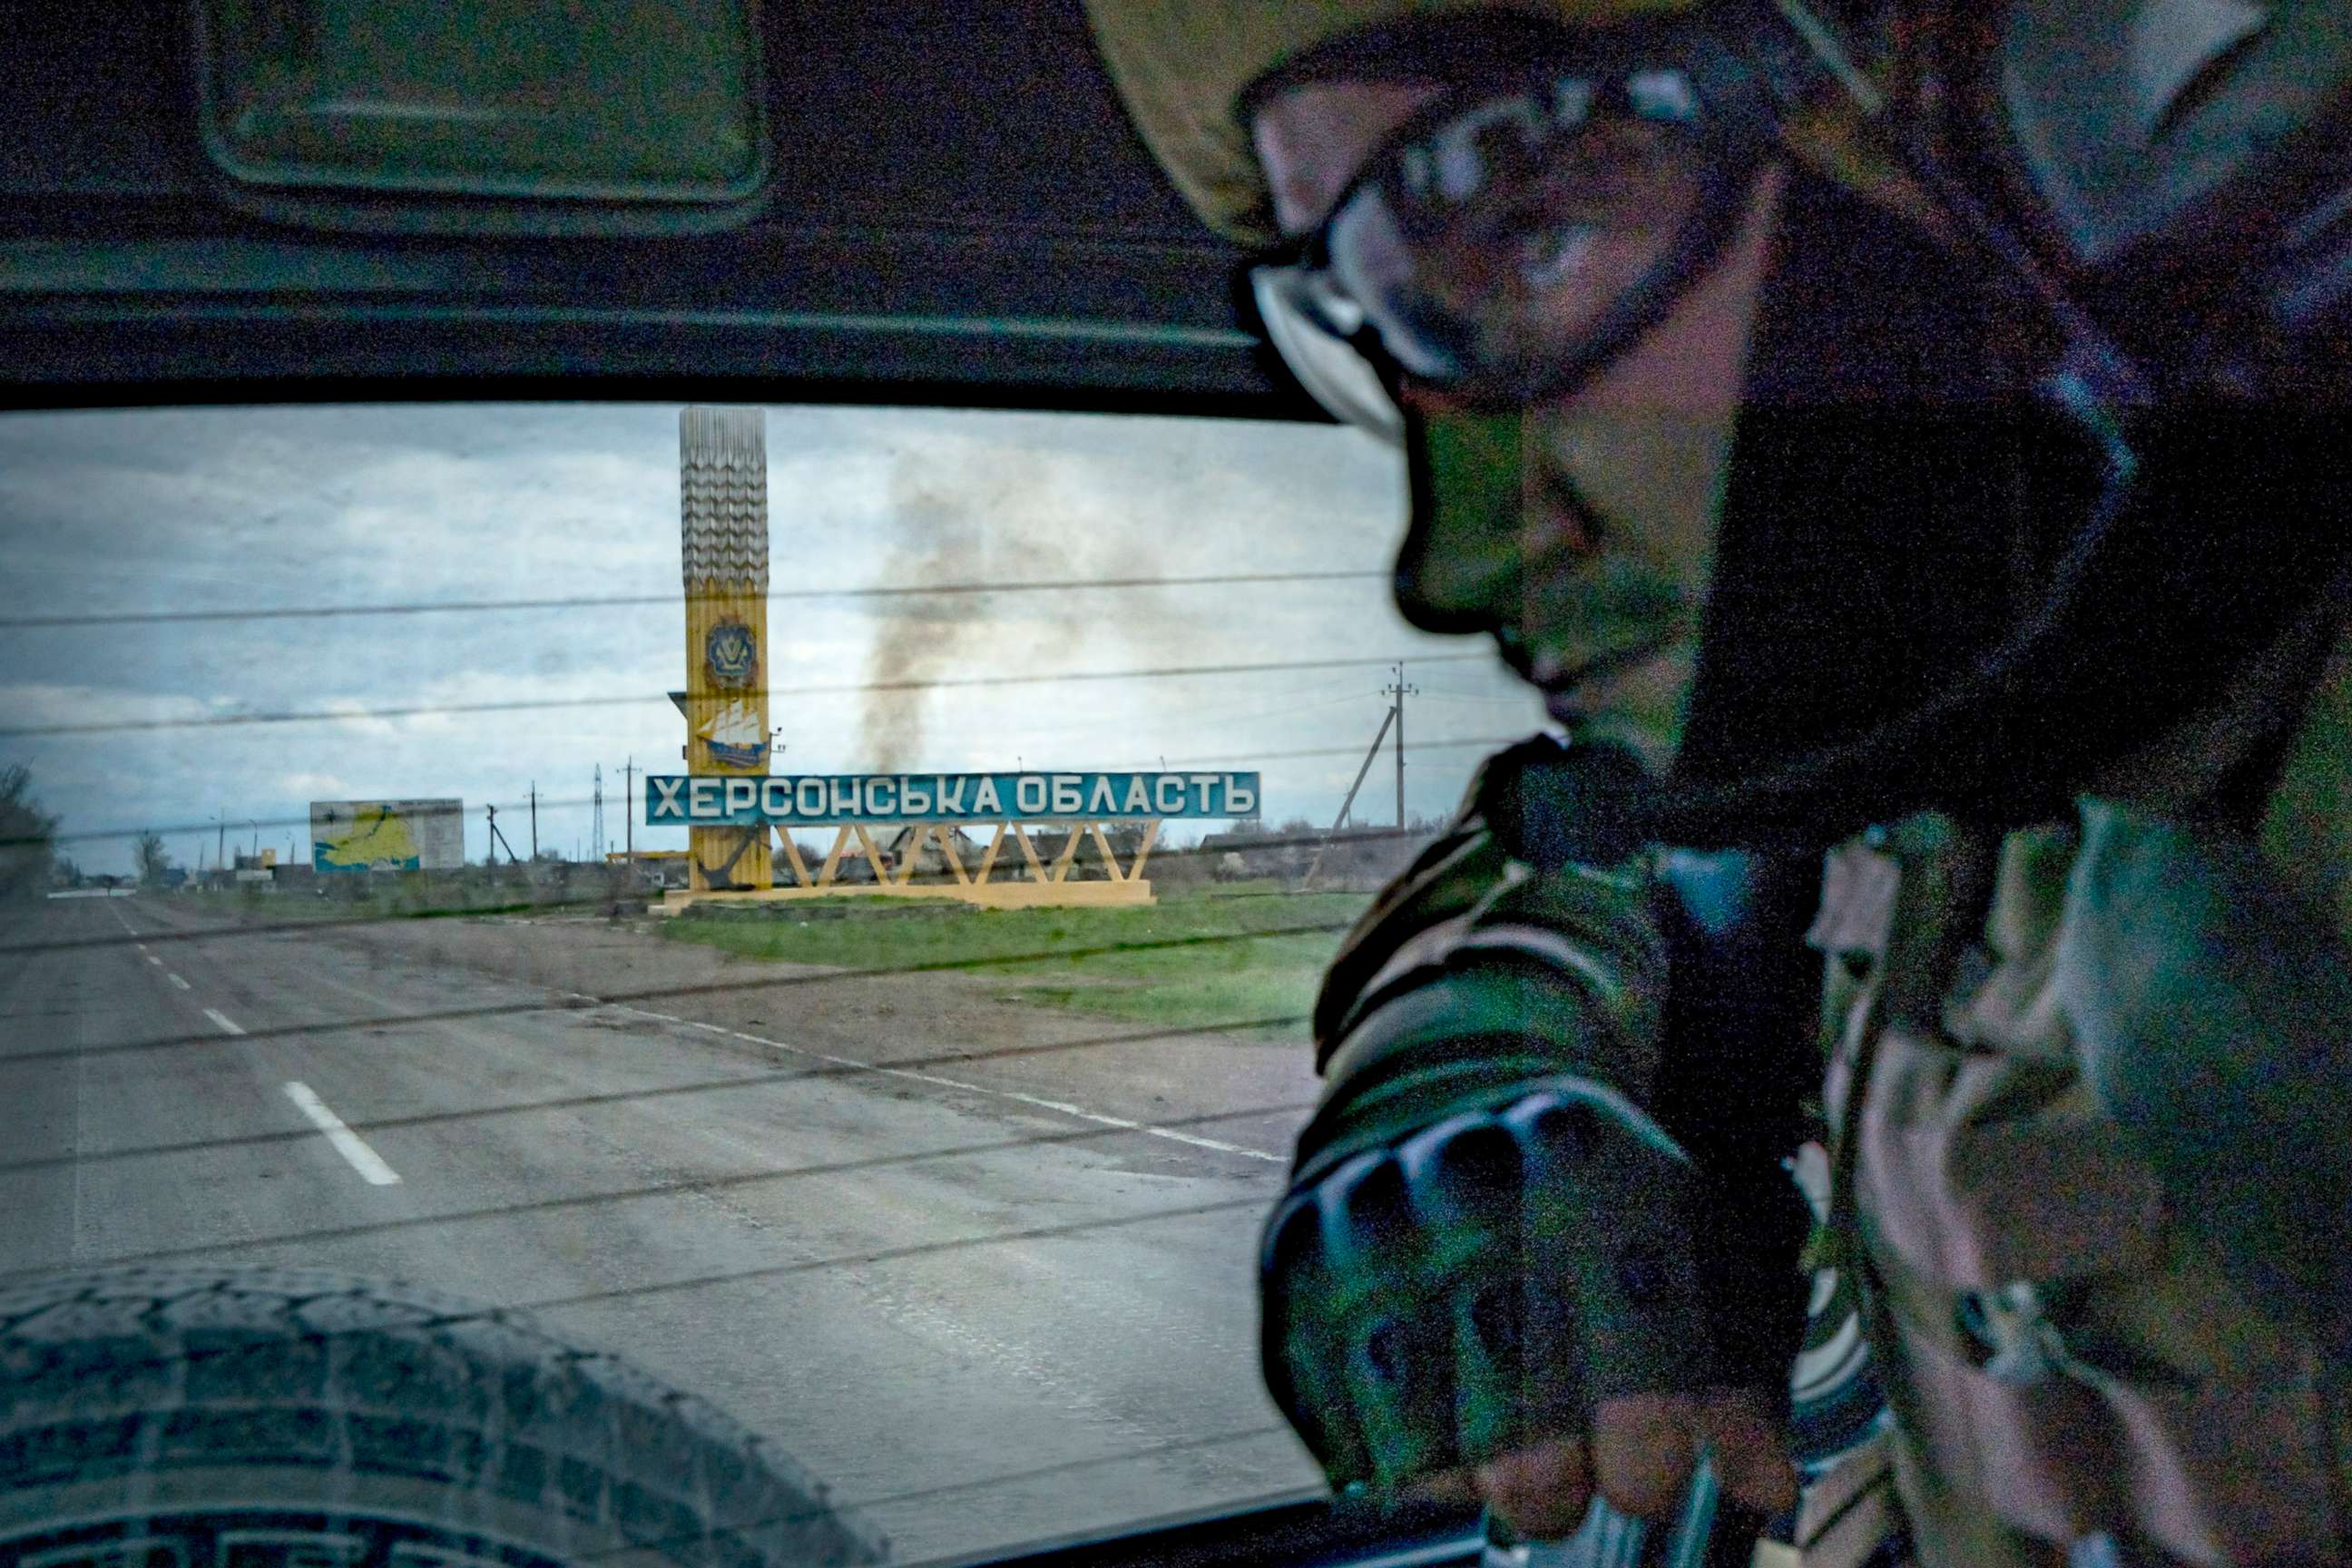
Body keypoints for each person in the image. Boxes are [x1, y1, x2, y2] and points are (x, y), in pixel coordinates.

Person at [1083, 2, 2352, 1563]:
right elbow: (1580, 847)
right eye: (1378, 336)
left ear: (2092, 117)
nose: (1458, 555)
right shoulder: (1935, 755)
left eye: (1530, 226)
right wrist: (1476, 1055)